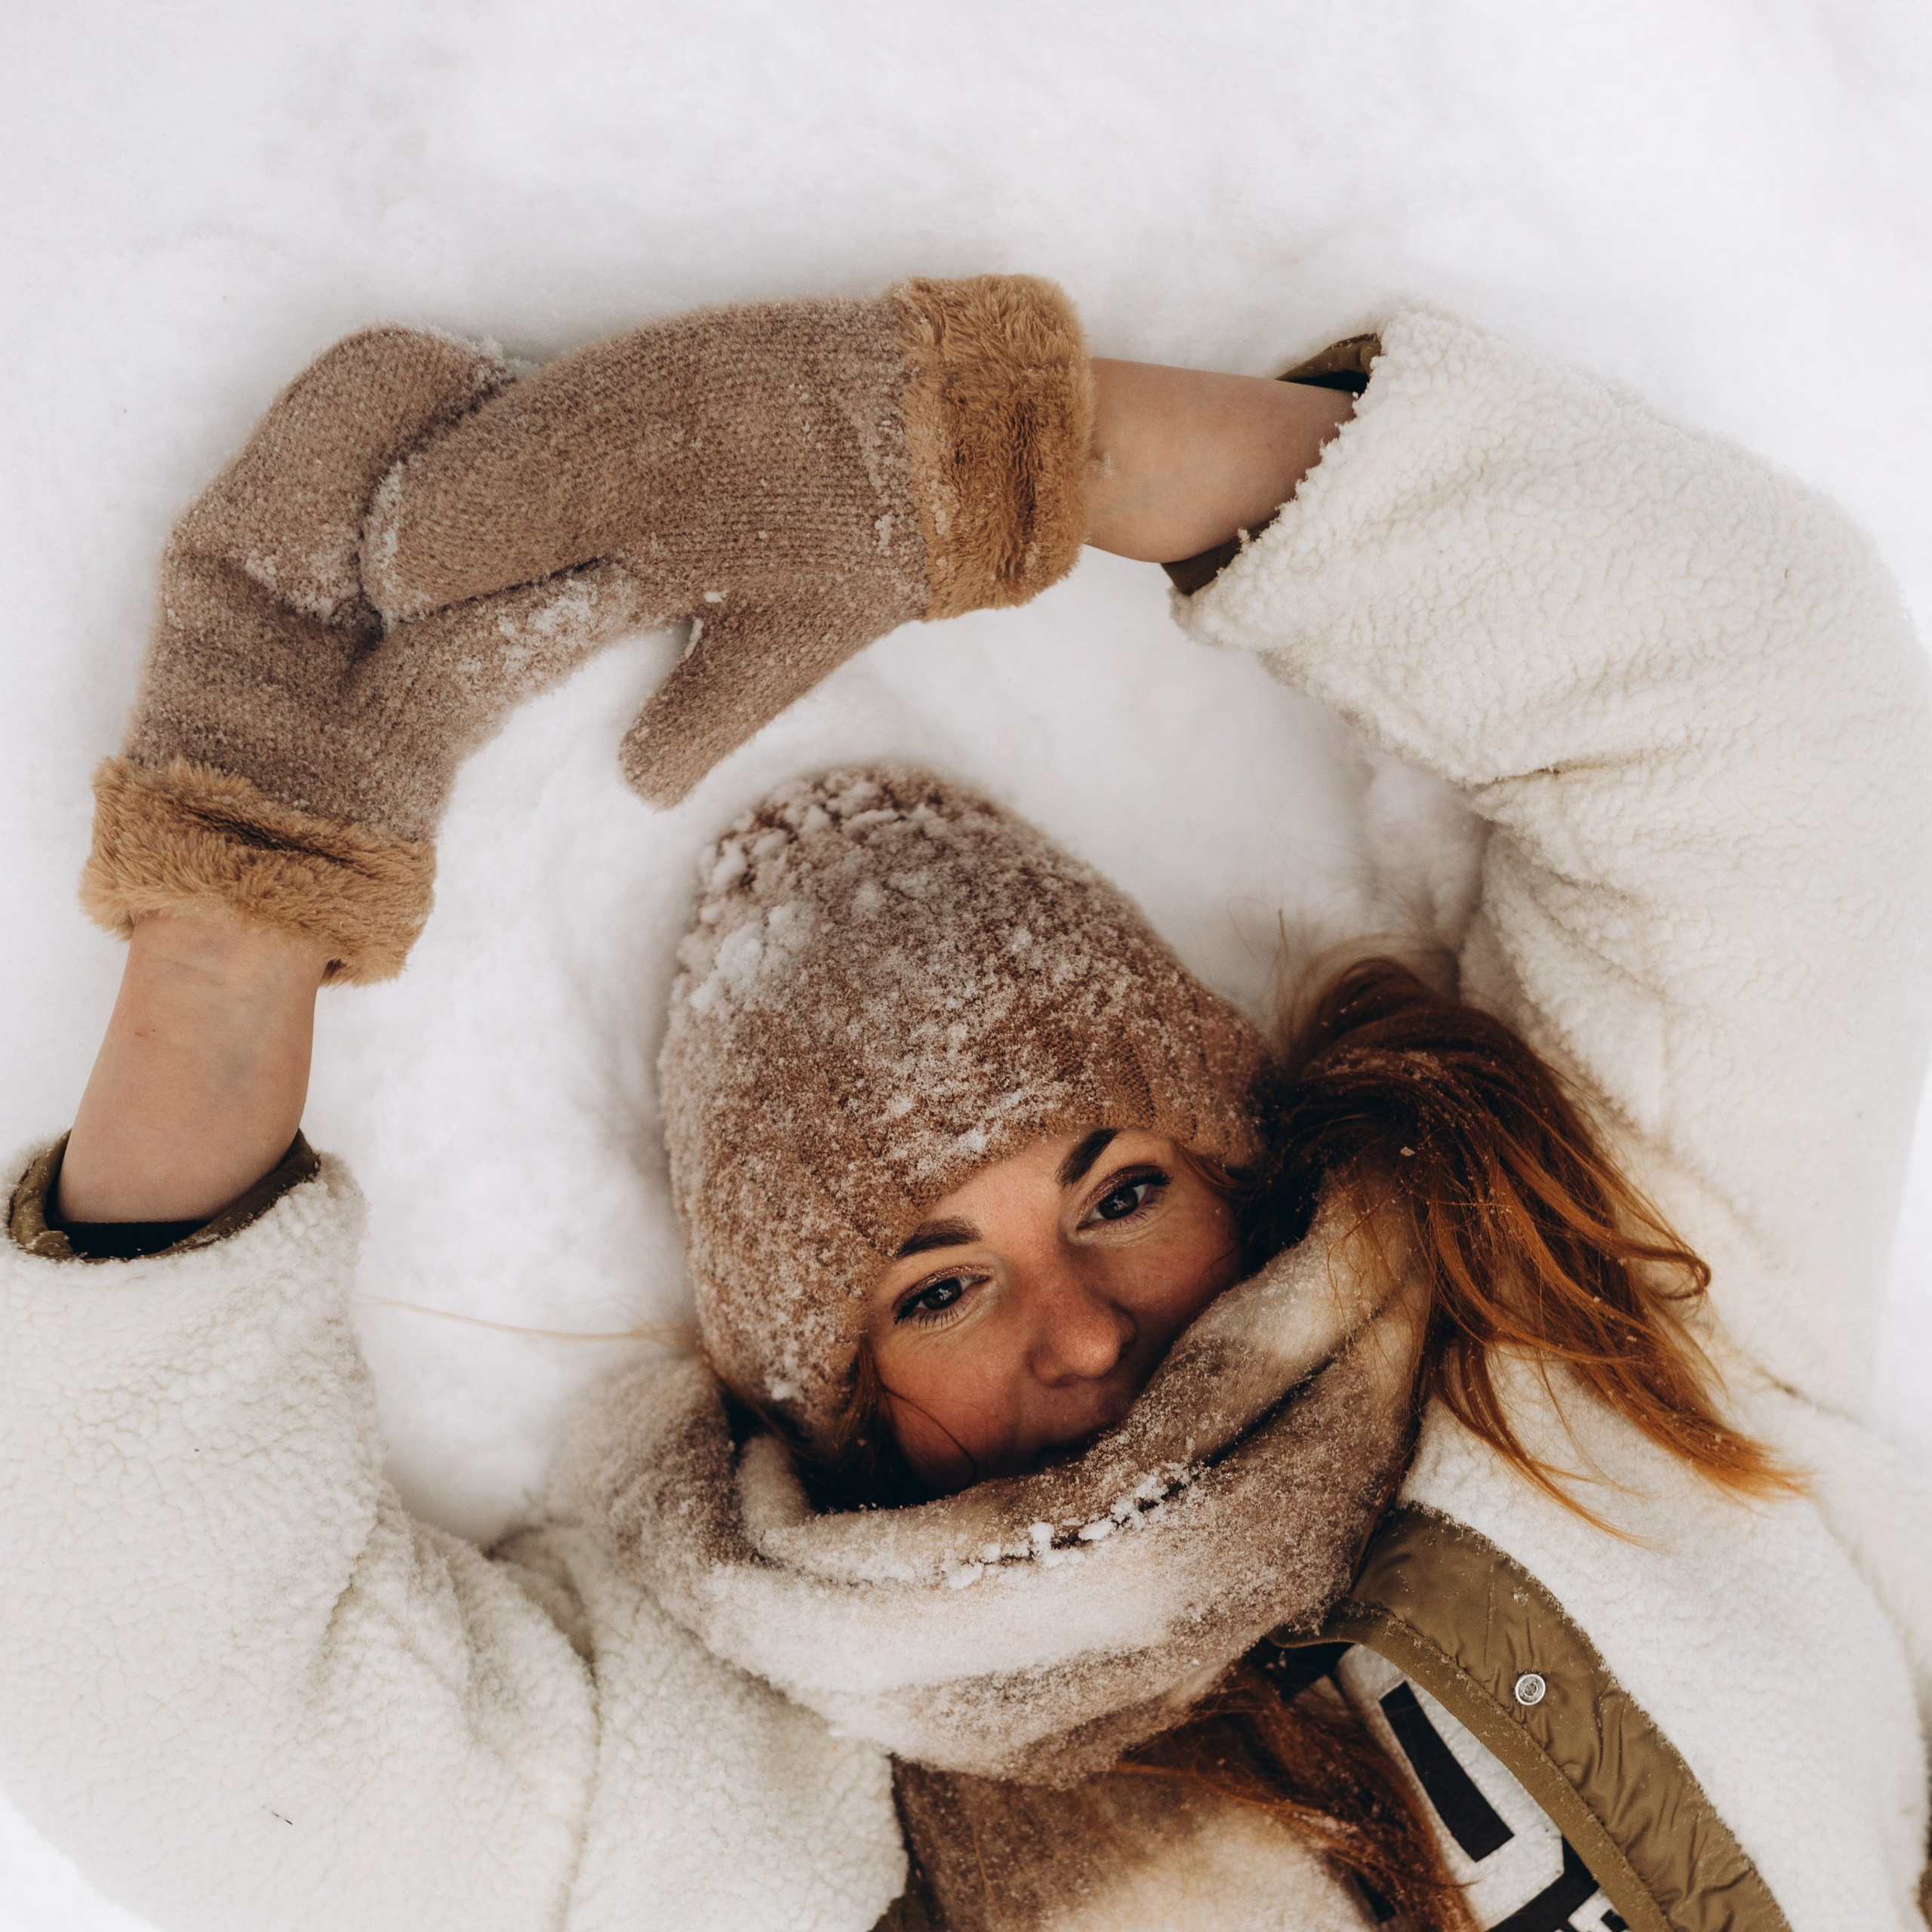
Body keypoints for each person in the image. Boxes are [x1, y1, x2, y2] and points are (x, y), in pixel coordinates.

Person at [2, 278, 1929, 1932]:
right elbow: (180, 1694)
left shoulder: (1601, 1350)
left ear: (1236, 1166)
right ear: (830, 1404)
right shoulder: (822, 1797)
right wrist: (236, 912)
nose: (1078, 1329)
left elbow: (1767, 712)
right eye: (934, 1285)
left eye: (1112, 1188)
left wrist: (999, 452)